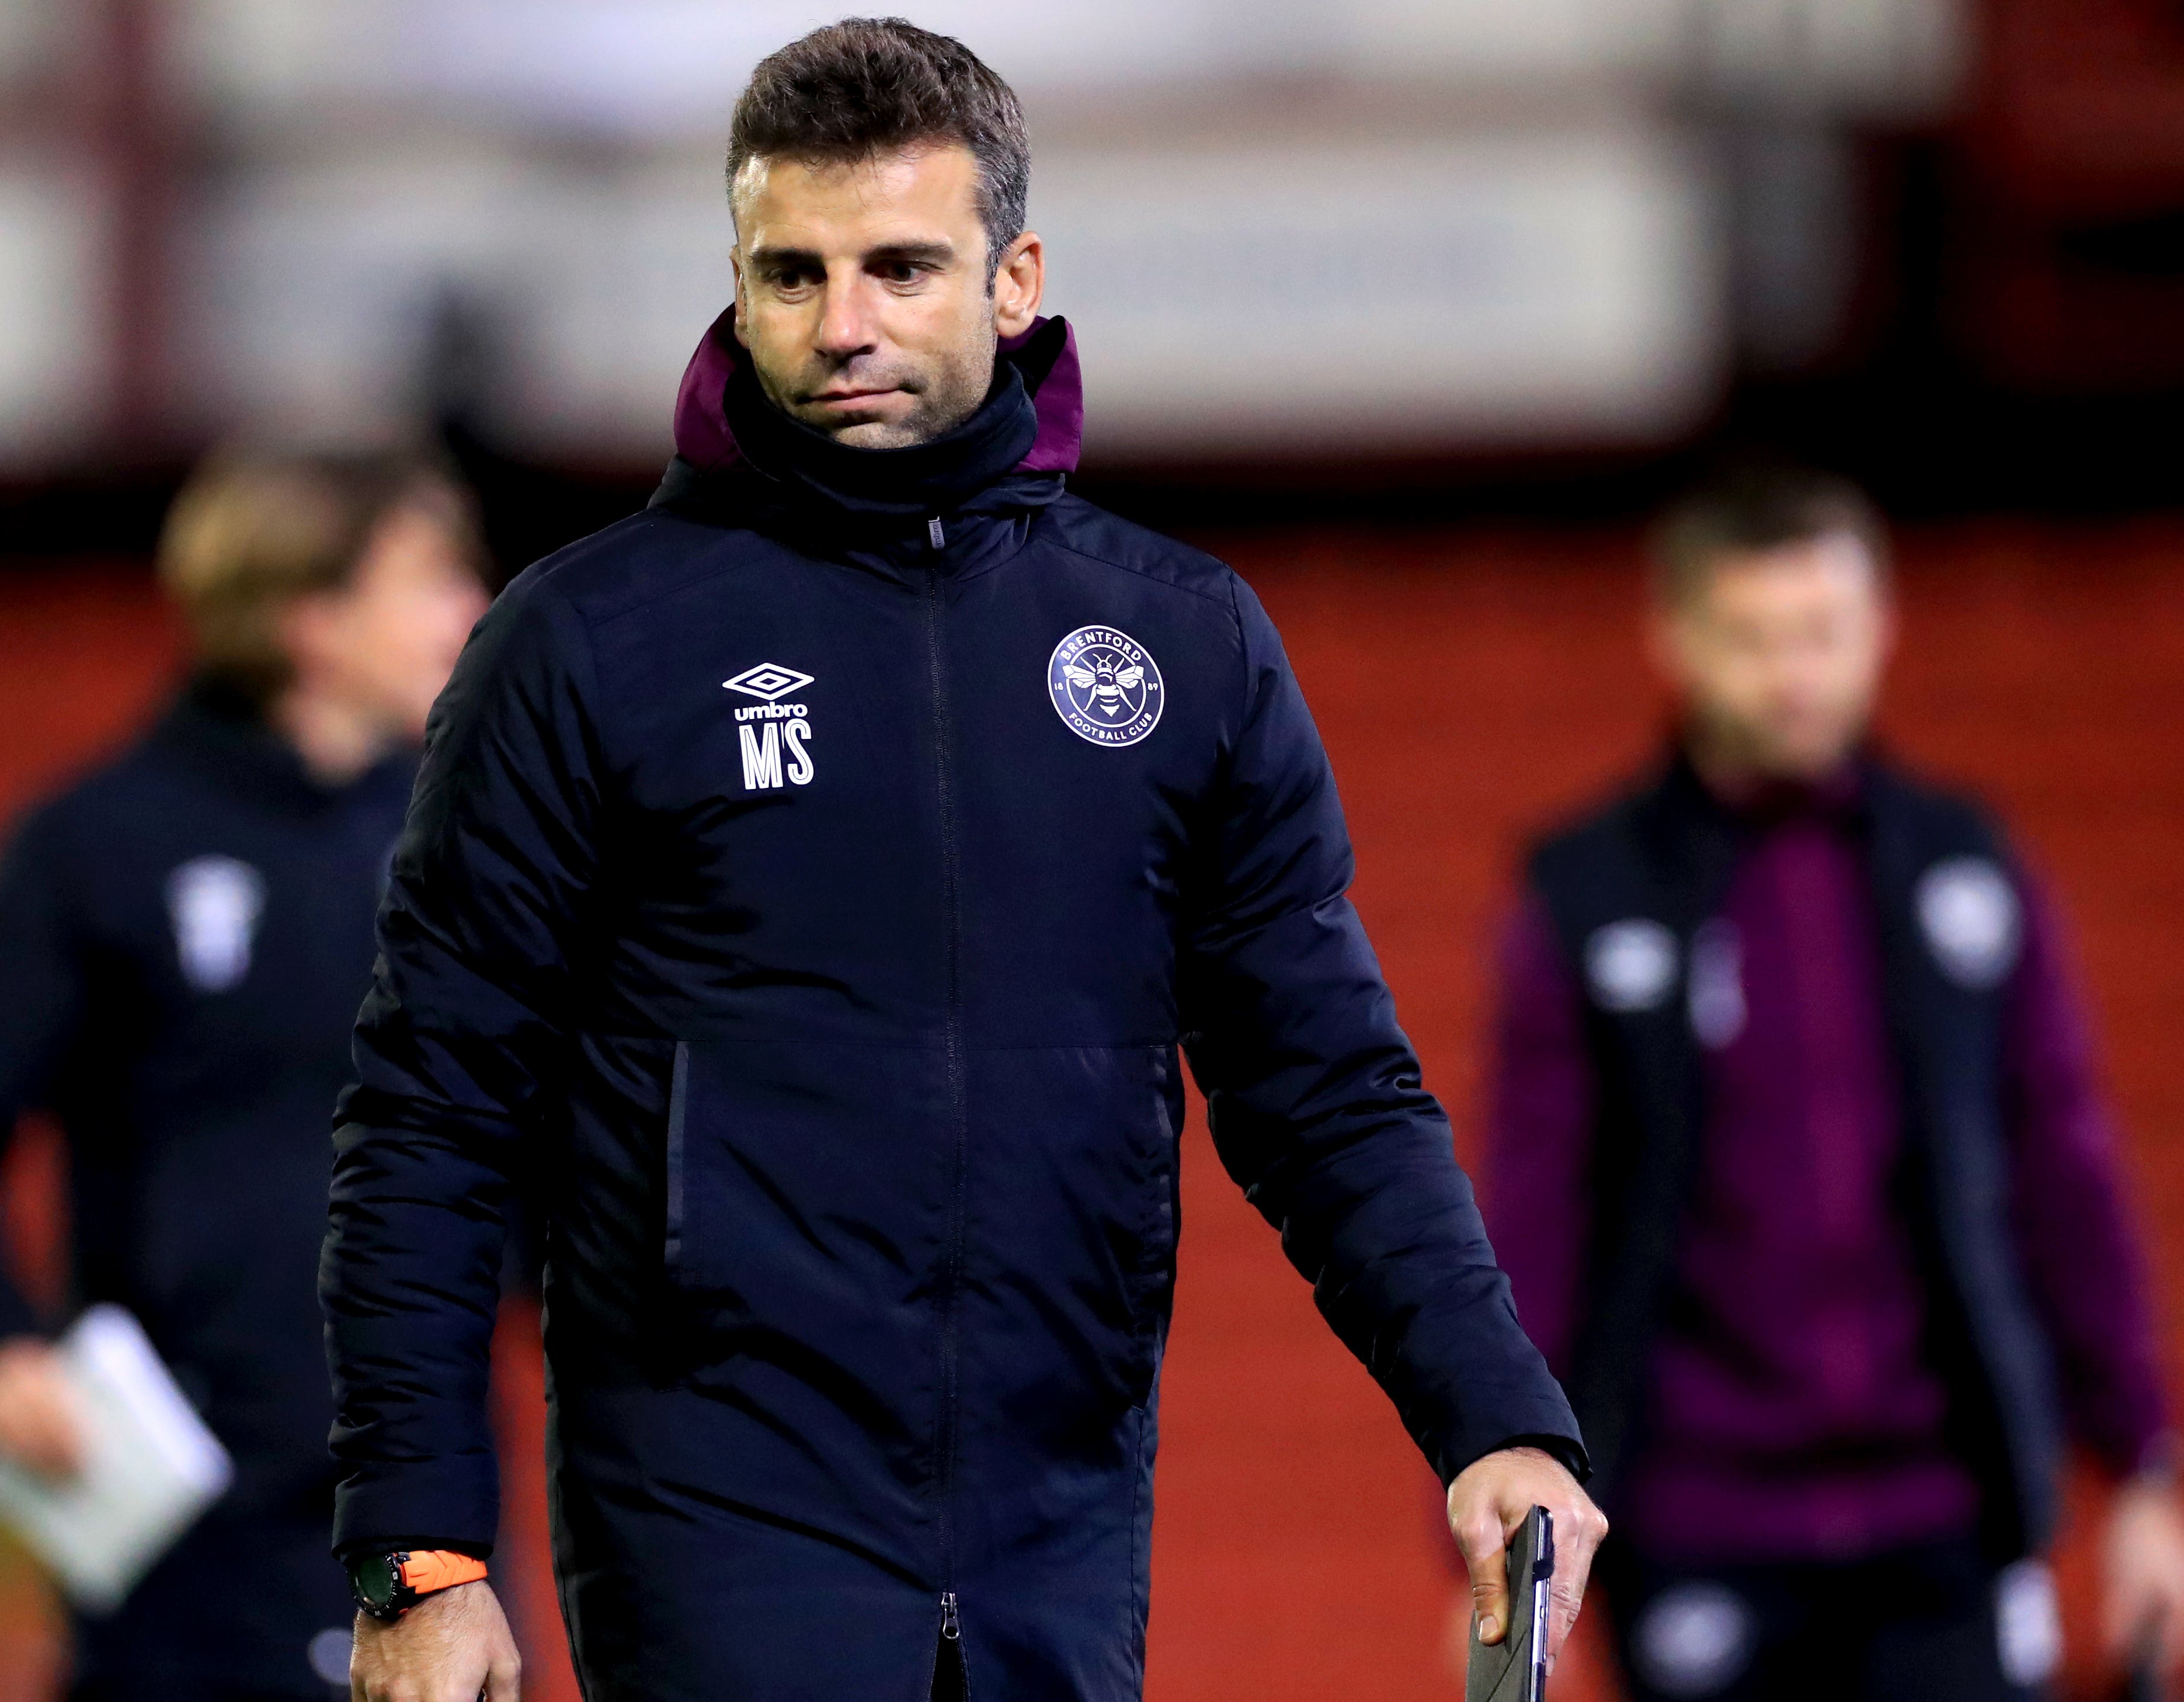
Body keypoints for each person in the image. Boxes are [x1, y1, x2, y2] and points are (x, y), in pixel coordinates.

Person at [322, 20, 1604, 1702]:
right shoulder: (584, 646)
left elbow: (1326, 1088)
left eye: (898, 267)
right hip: (714, 1515)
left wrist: (1491, 1413)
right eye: (789, 273)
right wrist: (421, 1551)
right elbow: (430, 1108)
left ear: (1013, 281)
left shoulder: (1177, 643)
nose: (838, 323)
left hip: (1056, 1521)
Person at [1483, 466, 2184, 1700]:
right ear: (1676, 638)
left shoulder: (1964, 867)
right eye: (1750, 637)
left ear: (1879, 631)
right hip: (1695, 1517)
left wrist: (2141, 1465)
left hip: (1945, 1517)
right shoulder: (1587, 892)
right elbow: (1536, 1224)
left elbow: (2059, 1171)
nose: (1790, 673)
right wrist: (1490, 1552)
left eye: (1821, 631)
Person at [0, 444, 491, 1701]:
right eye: (429, 576)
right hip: (192, 1496)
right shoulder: (99, 841)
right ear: (307, 619)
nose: (468, 610)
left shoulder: (461, 832)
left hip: (420, 1484)